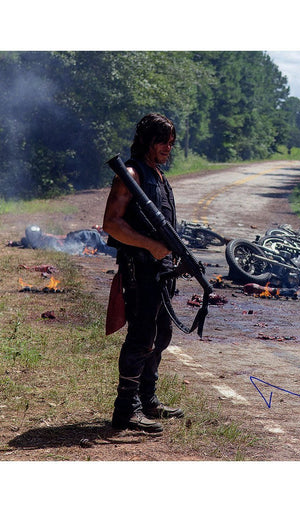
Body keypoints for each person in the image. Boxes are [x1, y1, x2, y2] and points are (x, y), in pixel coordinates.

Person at [103, 113, 184, 433]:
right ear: (147, 141)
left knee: (161, 334)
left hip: (161, 271)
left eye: (172, 142)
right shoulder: (131, 174)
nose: (168, 147)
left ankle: (147, 399)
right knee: (141, 338)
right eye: (163, 141)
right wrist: (150, 246)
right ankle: (126, 409)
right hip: (140, 268)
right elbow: (112, 223)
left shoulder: (158, 176)